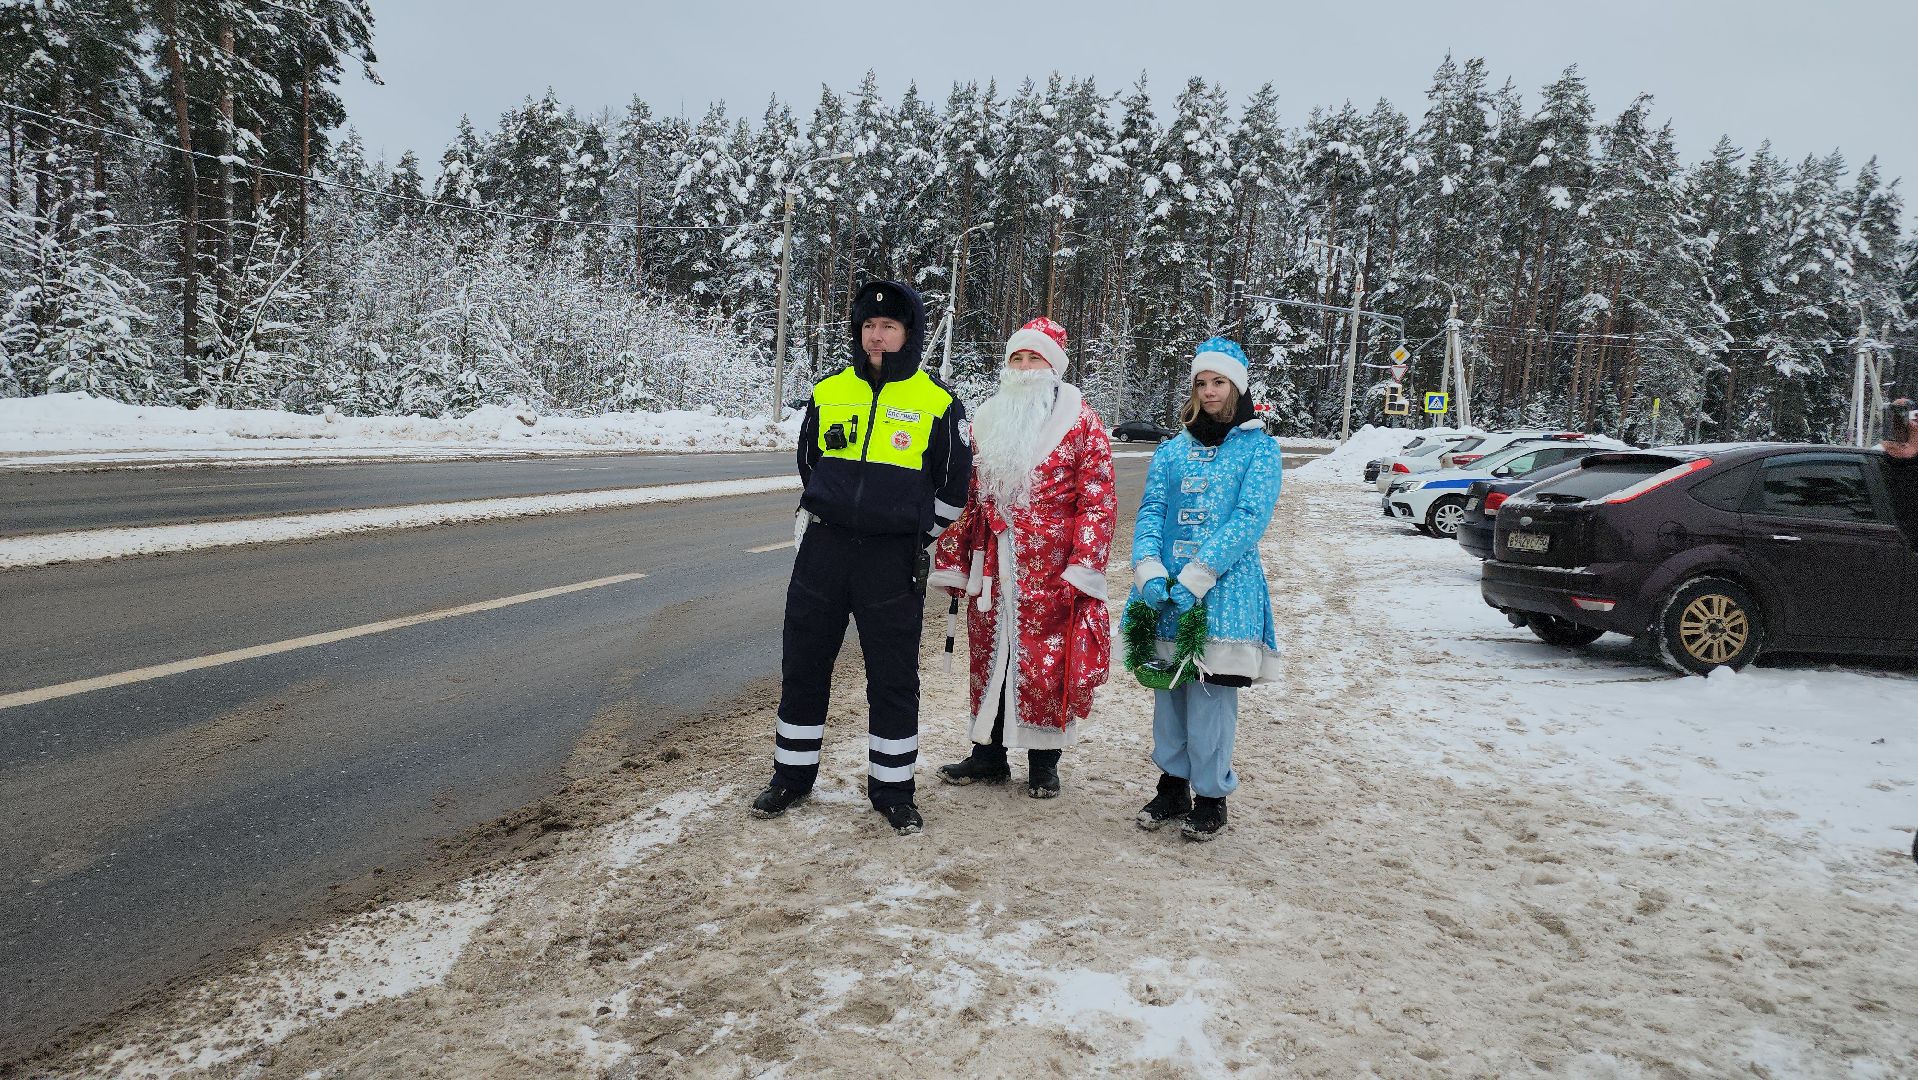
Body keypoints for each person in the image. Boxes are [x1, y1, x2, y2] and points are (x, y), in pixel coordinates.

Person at [750, 279, 971, 836]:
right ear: (858, 332)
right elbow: (810, 464)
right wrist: (837, 512)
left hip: (891, 559)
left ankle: (893, 790)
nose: (878, 336)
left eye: (890, 327)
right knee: (803, 666)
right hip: (823, 551)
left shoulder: (938, 402)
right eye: (869, 327)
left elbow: (954, 486)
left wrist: (916, 534)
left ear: (909, 334)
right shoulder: (828, 392)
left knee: (893, 676)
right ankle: (791, 779)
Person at [928, 318, 1117, 798]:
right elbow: (967, 494)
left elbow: (1098, 498)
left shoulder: (1082, 424)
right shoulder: (986, 420)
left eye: (1036, 358)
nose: (1026, 367)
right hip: (991, 565)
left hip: (1050, 567)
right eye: (1018, 357)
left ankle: (1043, 762)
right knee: (990, 656)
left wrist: (1083, 565)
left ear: (1054, 367)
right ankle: (988, 755)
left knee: (1044, 663)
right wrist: (954, 559)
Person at [1127, 337, 1283, 842]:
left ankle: (1212, 795)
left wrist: (1201, 572)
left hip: (1224, 590)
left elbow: (1249, 517)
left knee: (1212, 694)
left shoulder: (1258, 447)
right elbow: (1151, 510)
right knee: (1169, 692)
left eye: (1218, 382)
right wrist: (1149, 566)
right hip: (1167, 590)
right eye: (1201, 382)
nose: (1209, 391)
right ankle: (1172, 785)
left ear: (1237, 386)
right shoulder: (1173, 450)